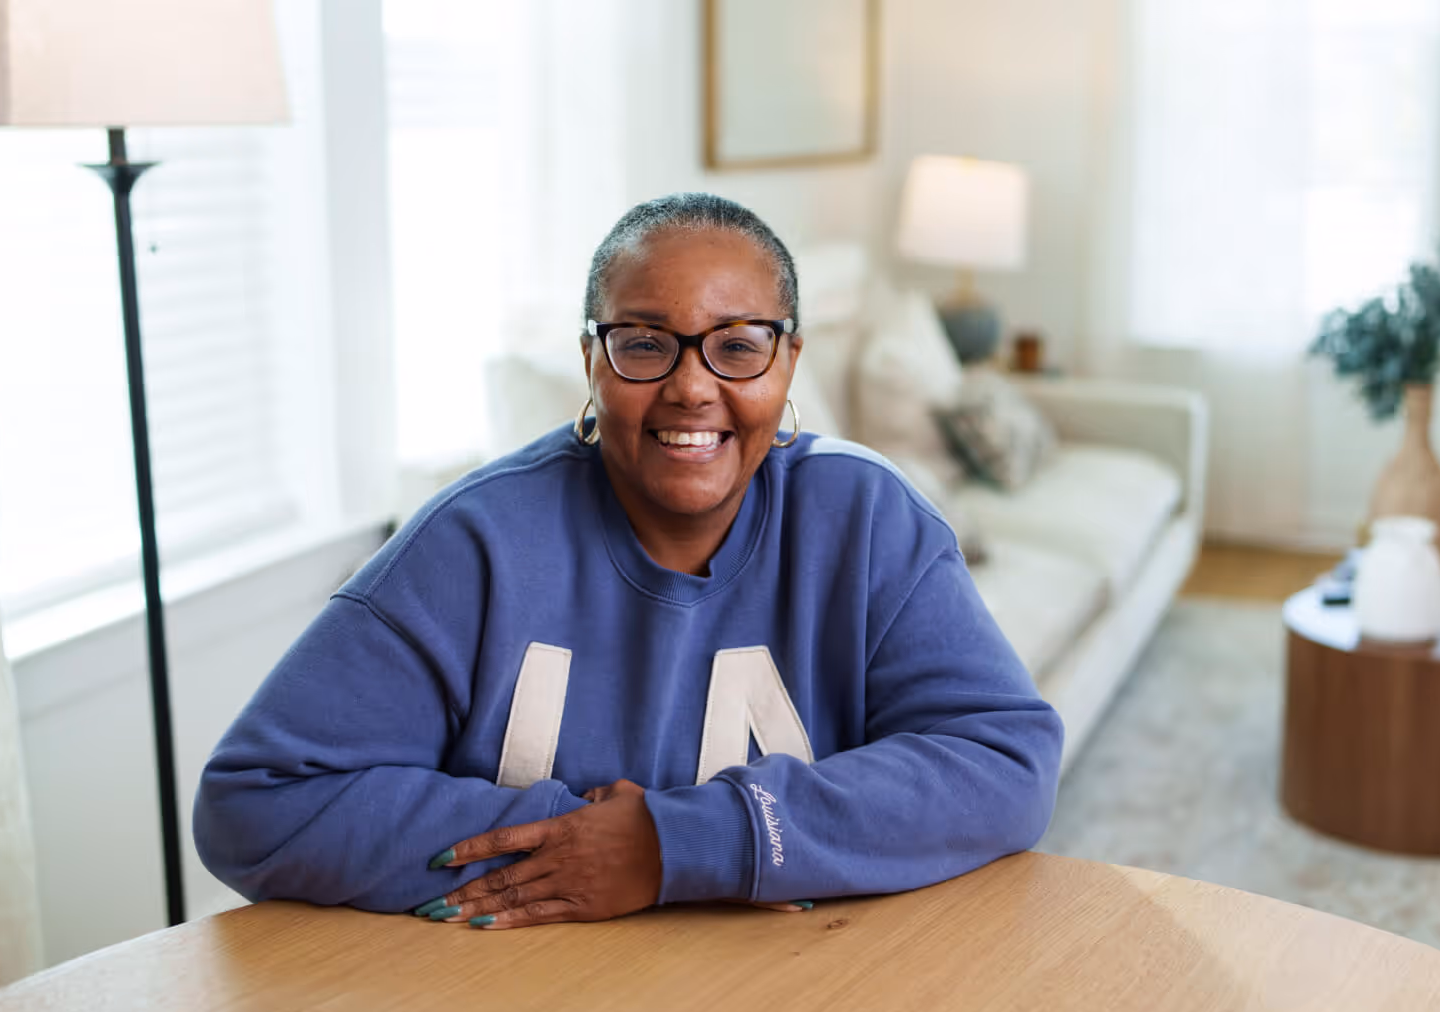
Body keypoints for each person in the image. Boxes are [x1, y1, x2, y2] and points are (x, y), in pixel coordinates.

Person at [193, 193, 1064, 930]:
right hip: (521, 1010)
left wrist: (680, 844)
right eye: (644, 343)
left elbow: (1005, 762)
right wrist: (584, 849)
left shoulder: (867, 519)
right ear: (591, 359)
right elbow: (255, 801)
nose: (692, 387)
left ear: (789, 360)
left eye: (738, 345)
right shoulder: (474, 543)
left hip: (801, 994)